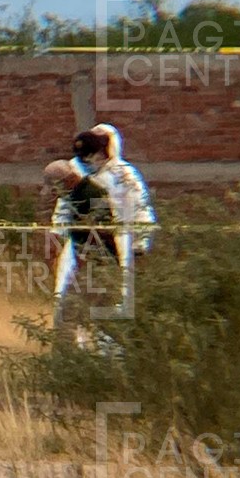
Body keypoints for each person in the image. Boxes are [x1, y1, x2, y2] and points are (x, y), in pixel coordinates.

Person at [49, 123, 157, 329]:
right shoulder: (74, 173)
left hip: (117, 244)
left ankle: (107, 351)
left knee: (112, 301)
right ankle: (69, 350)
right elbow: (63, 207)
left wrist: (140, 244)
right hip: (78, 246)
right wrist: (57, 235)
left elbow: (141, 209)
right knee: (65, 298)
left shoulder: (124, 175)